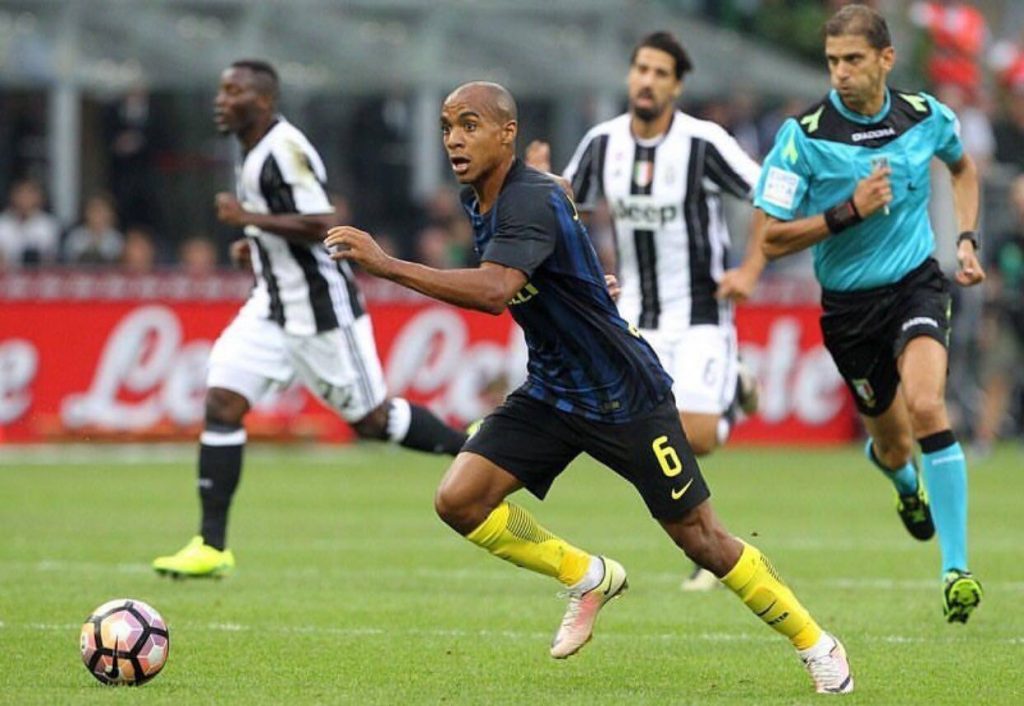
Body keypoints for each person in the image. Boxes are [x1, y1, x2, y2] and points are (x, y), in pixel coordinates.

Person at [325, 81, 853, 695]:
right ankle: (587, 576)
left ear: (507, 133)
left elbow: (495, 291)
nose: (453, 140)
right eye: (446, 127)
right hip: (553, 391)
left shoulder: (528, 197)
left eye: (469, 125)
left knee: (702, 539)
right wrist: (585, 280)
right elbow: (553, 244)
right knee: (460, 499)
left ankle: (817, 643)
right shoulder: (487, 198)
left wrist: (387, 265)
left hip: (624, 394)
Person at [152, 60, 467, 578]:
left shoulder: (283, 148)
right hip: (271, 304)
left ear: (263, 101)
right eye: (221, 90)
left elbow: (322, 222)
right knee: (223, 401)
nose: (221, 100)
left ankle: (473, 447)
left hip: (320, 309)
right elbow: (286, 224)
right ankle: (211, 546)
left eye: (233, 91)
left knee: (372, 421)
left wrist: (248, 219)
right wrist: (255, 244)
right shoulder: (252, 148)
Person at [754, 5, 984, 623]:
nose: (841, 73)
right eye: (833, 61)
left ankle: (956, 569)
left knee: (928, 405)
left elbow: (963, 168)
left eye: (853, 60)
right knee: (894, 443)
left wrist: (966, 239)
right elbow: (769, 239)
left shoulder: (926, 116)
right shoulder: (803, 137)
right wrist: (846, 212)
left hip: (915, 285)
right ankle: (905, 484)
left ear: (886, 59)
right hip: (849, 309)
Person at [527, 31, 765, 591]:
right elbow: (569, 203)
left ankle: (729, 391)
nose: (647, 81)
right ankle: (705, 542)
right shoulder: (604, 143)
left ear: (676, 86)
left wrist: (751, 269)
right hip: (636, 309)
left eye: (660, 73)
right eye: (641, 69)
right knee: (639, 429)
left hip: (703, 309)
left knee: (698, 436)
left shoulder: (704, 143)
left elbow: (769, 193)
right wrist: (539, 180)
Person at [973, 174, 1024, 456]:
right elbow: (993, 282)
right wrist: (988, 320)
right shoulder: (1005, 240)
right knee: (996, 378)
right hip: (1008, 314)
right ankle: (984, 440)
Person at [0, 178, 61, 268]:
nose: (25, 199)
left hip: (40, 273)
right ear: (12, 196)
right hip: (7, 273)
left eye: (29, 194)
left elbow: (50, 259)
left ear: (38, 197)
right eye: (21, 194)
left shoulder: (48, 225)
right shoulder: (2, 223)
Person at [63, 194, 124, 266]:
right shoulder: (75, 237)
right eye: (94, 210)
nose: (98, 215)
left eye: (102, 211)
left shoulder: (117, 240)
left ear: (110, 214)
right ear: (86, 213)